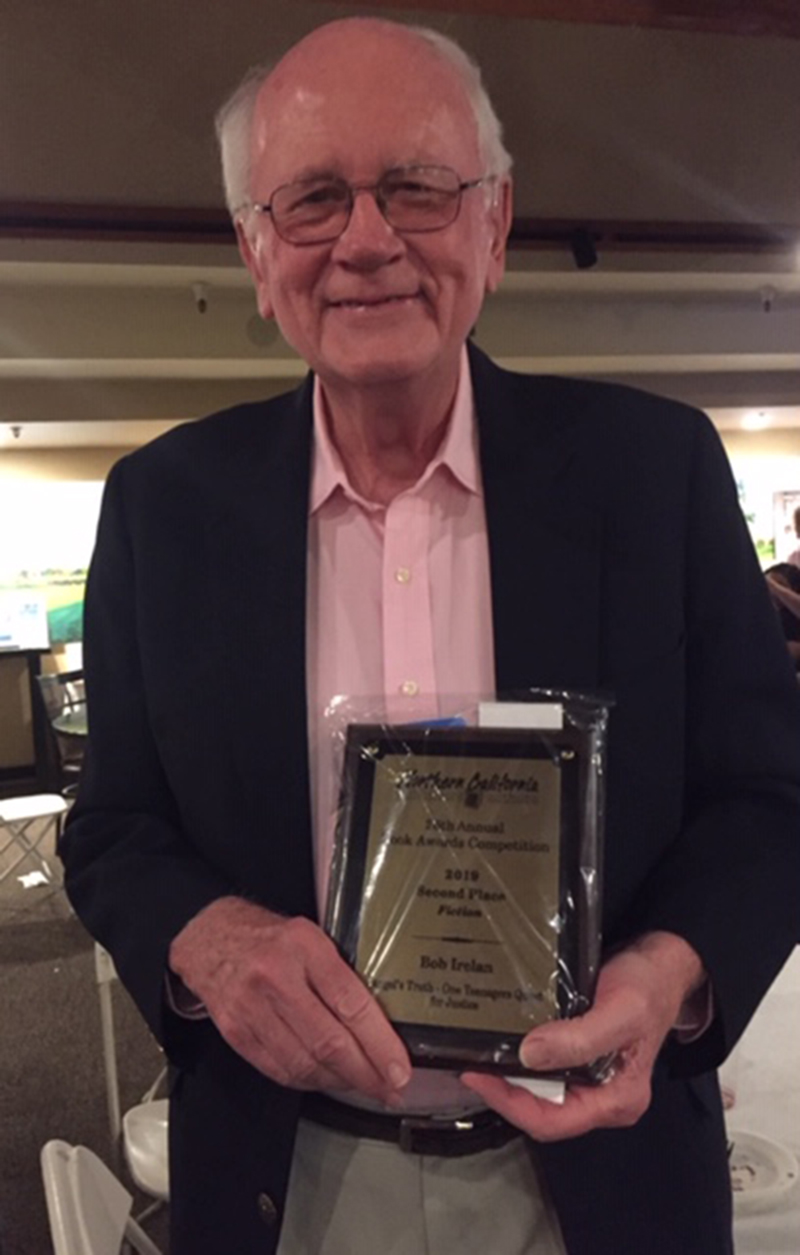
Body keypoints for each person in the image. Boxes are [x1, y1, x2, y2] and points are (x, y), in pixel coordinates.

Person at [60, 18, 800, 1255]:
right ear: (256, 251)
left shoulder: (652, 474)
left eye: (415, 186)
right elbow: (115, 826)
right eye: (311, 199)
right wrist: (209, 936)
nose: (365, 239)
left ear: (494, 224)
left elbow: (769, 797)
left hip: (601, 1187)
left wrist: (670, 970)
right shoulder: (161, 508)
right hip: (281, 1184)